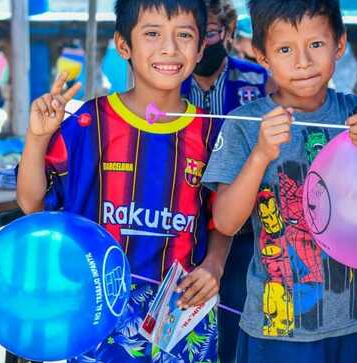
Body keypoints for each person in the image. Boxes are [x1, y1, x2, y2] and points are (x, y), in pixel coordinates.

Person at [201, 0, 357, 362]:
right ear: (262, 56)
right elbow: (225, 220)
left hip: (347, 323)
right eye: (285, 49)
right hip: (275, 326)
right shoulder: (246, 123)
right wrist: (261, 155)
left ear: (340, 45)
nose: (302, 61)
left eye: (316, 45)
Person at [16, 1, 230, 361]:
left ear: (199, 48)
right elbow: (32, 203)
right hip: (96, 309)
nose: (169, 48)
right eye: (152, 34)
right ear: (122, 45)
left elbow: (223, 219)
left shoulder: (211, 131)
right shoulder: (89, 123)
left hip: (182, 313)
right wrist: (37, 139)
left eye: (184, 35)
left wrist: (215, 264)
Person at [182, 2, 269, 362]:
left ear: (229, 34)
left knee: (236, 308)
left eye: (212, 33)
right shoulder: (171, 80)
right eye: (195, 34)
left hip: (242, 218)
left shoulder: (258, 79)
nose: (203, 43)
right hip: (185, 212)